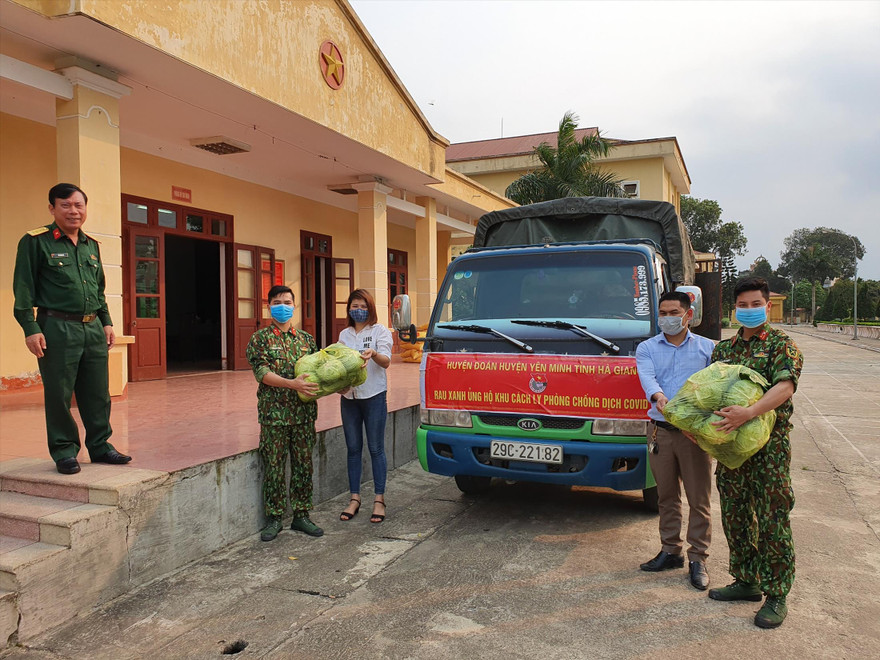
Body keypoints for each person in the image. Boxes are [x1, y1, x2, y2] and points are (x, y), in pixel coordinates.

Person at [12, 183, 132, 475]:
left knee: (97, 393)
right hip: (56, 327)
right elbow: (24, 289)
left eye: (79, 205)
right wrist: (30, 327)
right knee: (59, 393)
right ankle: (65, 451)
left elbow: (99, 290)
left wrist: (106, 322)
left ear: (85, 208)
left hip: (91, 327)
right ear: (52, 208)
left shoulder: (92, 245)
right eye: (65, 205)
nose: (73, 211)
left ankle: (101, 446)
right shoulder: (36, 241)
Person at [707, 277, 803, 629]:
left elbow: (785, 386)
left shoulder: (782, 345)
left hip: (769, 450)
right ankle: (747, 580)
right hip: (732, 447)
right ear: (735, 308)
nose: (749, 311)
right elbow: (711, 390)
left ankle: (776, 593)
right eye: (742, 305)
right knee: (735, 513)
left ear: (767, 305)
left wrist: (750, 412)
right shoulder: (723, 351)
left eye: (755, 304)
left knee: (772, 518)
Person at [636, 291, 715, 590]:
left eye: (673, 312)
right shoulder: (646, 348)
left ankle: (698, 557)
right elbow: (648, 378)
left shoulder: (709, 349)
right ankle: (670, 550)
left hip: (693, 435)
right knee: (666, 497)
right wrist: (658, 397)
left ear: (688, 315)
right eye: (662, 313)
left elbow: (715, 386)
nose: (667, 318)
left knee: (699, 499)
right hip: (659, 431)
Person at [246, 285, 323, 542]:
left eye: (287, 301)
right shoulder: (260, 339)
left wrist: (339, 385)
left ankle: (301, 515)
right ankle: (275, 518)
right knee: (275, 467)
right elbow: (262, 374)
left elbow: (318, 375)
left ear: (295, 306)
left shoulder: (306, 340)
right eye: (277, 302)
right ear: (269, 306)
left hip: (303, 415)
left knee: (303, 466)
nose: (283, 306)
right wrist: (293, 384)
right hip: (274, 416)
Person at [337, 289, 393, 524]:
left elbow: (387, 361)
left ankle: (379, 499)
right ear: (349, 309)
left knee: (376, 448)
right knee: (352, 448)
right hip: (349, 398)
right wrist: (338, 385)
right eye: (354, 306)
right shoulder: (344, 335)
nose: (358, 310)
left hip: (374, 396)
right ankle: (355, 498)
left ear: (370, 308)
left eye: (362, 306)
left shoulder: (380, 331)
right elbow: (338, 364)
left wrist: (374, 353)